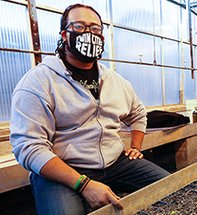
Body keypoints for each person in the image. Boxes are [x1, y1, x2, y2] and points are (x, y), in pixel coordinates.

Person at [10, 4, 170, 215]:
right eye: (79, 26)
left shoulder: (115, 81)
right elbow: (29, 147)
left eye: (95, 29)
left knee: (176, 188)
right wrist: (84, 184)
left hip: (116, 163)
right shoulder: (38, 81)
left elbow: (138, 113)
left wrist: (135, 146)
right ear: (64, 35)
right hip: (64, 170)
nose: (89, 33)